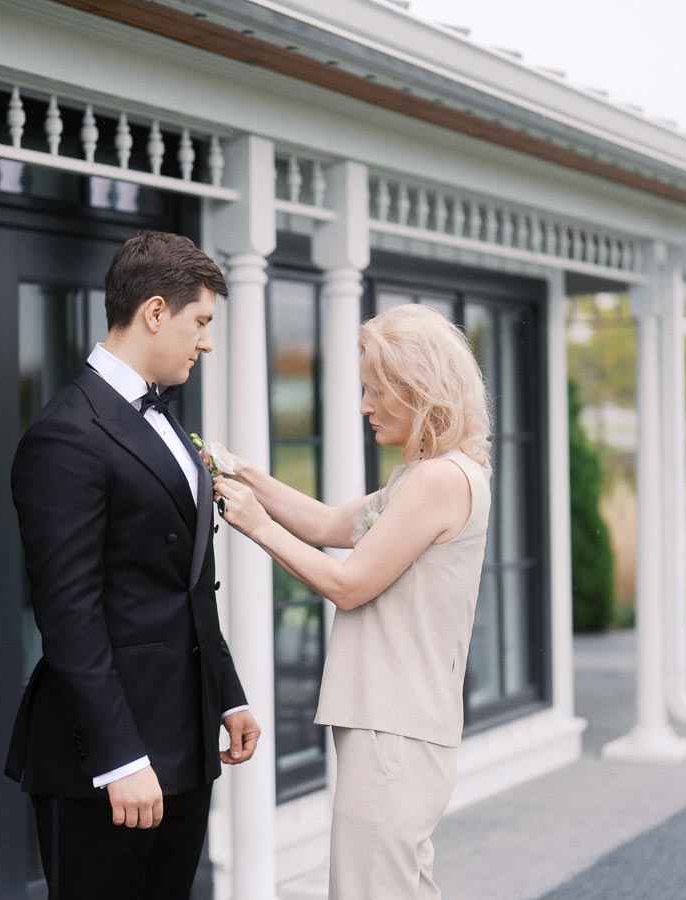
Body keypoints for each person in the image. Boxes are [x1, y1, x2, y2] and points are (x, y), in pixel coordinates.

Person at [5, 231, 261, 899]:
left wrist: (226, 693)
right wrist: (119, 757)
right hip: (106, 755)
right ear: (154, 312)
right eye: (200, 322)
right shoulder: (65, 435)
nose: (206, 342)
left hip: (184, 739)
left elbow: (186, 584)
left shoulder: (167, 421)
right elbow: (69, 614)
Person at [212, 303, 491, 900]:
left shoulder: (440, 481)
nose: (364, 405)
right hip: (401, 724)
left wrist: (255, 524)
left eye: (374, 390)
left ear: (418, 389)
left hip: (395, 726)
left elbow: (348, 583)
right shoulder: (429, 476)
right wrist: (242, 472)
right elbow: (328, 522)